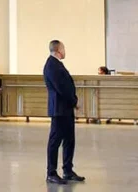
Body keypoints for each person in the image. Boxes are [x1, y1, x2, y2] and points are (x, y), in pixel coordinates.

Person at [44, 40, 85, 184]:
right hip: (59, 110)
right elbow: (62, 88)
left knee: (69, 140)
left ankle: (68, 170)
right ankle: (51, 172)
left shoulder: (56, 64)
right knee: (55, 141)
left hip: (65, 109)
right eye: (64, 48)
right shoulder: (52, 65)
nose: (65, 50)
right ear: (58, 50)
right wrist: (74, 101)